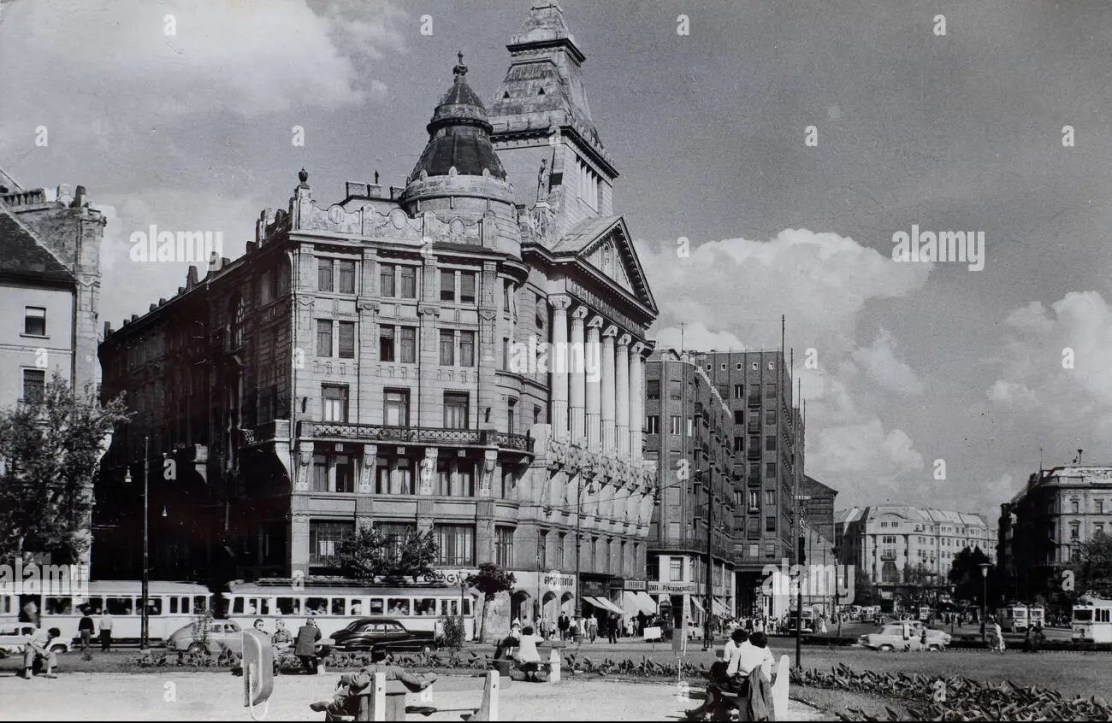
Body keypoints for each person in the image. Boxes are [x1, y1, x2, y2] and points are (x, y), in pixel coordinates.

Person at [310, 650, 437, 719]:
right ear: (386, 657)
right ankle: (329, 704)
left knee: (333, 707)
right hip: (393, 713)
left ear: (372, 657)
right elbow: (417, 682)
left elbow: (360, 682)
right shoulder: (396, 670)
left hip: (366, 713)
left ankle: (328, 704)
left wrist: (346, 678)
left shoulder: (369, 670)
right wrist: (432, 675)